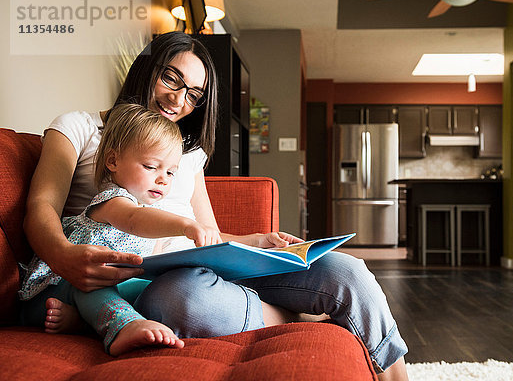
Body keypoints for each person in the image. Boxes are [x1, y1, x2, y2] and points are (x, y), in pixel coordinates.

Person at [22, 31, 409, 380]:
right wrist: (63, 255)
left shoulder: (189, 155)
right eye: (171, 78)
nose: (179, 100)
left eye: (193, 93)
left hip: (205, 266)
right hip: (155, 284)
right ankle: (293, 315)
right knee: (184, 299)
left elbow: (208, 234)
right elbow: (41, 206)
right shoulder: (79, 127)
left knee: (344, 270)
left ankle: (397, 376)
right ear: (145, 68)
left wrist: (258, 241)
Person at [20, 103, 221, 355]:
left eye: (171, 172)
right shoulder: (112, 201)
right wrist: (186, 225)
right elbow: (135, 219)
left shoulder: (145, 212)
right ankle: (124, 326)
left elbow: (147, 267)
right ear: (113, 161)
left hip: (97, 291)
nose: (163, 178)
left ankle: (81, 321)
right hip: (57, 288)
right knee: (94, 287)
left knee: (152, 289)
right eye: (151, 167)